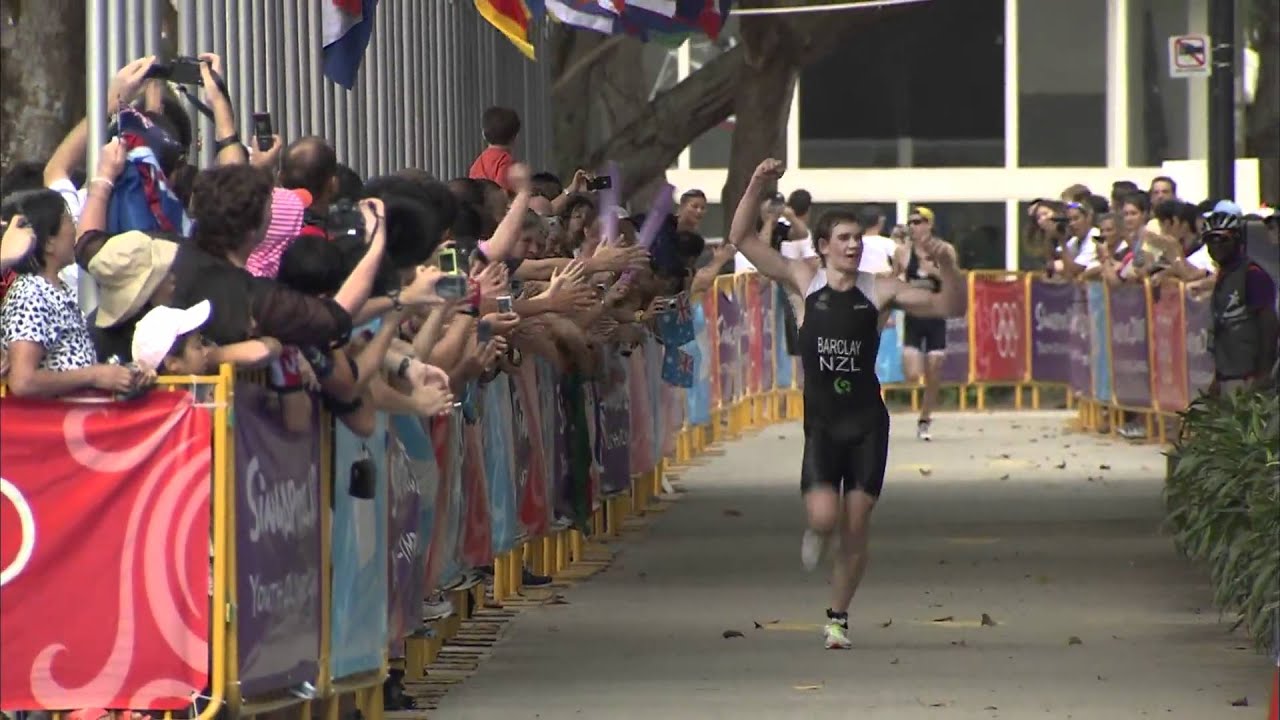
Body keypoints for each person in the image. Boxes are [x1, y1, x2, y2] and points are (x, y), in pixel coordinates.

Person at [731, 158, 966, 650]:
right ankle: (818, 532)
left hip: (866, 423)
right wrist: (756, 184)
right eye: (843, 237)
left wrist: (947, 265)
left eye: (857, 237)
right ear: (822, 245)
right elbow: (742, 240)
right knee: (822, 518)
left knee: (856, 525)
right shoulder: (803, 279)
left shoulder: (879, 290)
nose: (854, 244)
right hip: (821, 422)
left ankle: (837, 617)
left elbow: (949, 307)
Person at [0, 189, 151, 397]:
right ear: (48, 242)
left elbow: (67, 365)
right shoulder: (31, 293)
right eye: (68, 220)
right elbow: (23, 381)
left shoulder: (56, 290)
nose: (75, 228)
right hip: (51, 426)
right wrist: (94, 375)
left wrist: (121, 376)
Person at [893, 205, 957, 441]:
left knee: (934, 368)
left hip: (936, 317)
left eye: (919, 222)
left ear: (929, 225)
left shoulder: (944, 250)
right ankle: (923, 405)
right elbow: (895, 277)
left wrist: (934, 271)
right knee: (912, 373)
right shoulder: (903, 252)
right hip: (913, 316)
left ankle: (925, 418)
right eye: (911, 222)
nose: (914, 226)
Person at [1202, 209, 1278, 395]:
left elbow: (1268, 325)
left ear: (1237, 239)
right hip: (1227, 374)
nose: (1216, 245)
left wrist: (1263, 373)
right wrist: (1218, 377)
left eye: (1223, 239)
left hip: (1249, 376)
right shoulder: (1224, 276)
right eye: (1211, 239)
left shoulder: (1252, 275)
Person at [469, 106, 521, 190]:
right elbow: (502, 191)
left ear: (484, 135)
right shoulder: (505, 161)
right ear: (515, 137)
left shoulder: (478, 162)